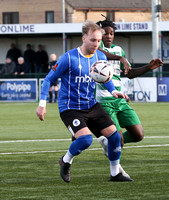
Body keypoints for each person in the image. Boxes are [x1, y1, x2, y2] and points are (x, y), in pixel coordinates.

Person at [36, 20, 133, 183]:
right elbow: (48, 80)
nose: (96, 43)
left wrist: (114, 91)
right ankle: (65, 161)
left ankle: (115, 173)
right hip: (70, 108)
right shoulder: (68, 58)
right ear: (83, 38)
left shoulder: (100, 56)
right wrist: (42, 104)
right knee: (85, 140)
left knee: (115, 138)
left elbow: (105, 77)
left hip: (91, 105)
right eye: (93, 40)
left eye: (98, 40)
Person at [95, 18, 163, 157]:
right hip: (104, 102)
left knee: (138, 135)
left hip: (120, 100)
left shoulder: (119, 51)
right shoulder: (95, 49)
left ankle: (110, 143)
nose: (109, 36)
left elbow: (129, 74)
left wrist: (149, 67)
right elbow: (102, 54)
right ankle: (115, 170)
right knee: (117, 141)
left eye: (111, 33)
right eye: (105, 33)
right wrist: (120, 59)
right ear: (98, 34)